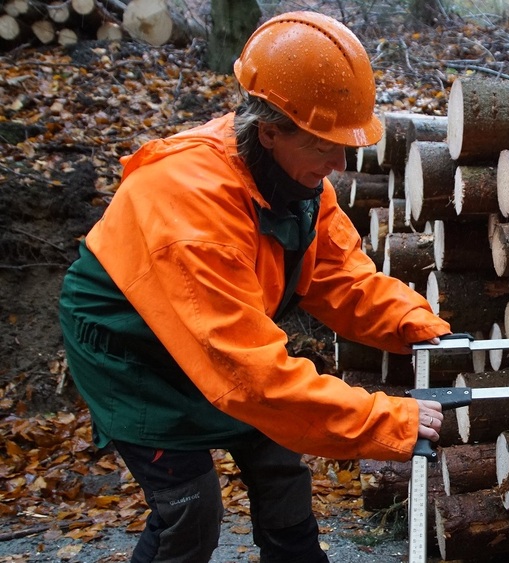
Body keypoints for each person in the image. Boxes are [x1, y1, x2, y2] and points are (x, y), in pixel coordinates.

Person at [57, 11, 450, 563]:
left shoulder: (295, 175)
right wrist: (385, 420)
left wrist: (419, 327)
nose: (339, 163)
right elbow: (251, 377)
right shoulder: (191, 204)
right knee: (189, 511)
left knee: (283, 475)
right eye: (324, 147)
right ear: (269, 131)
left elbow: (341, 275)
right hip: (134, 355)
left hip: (224, 340)